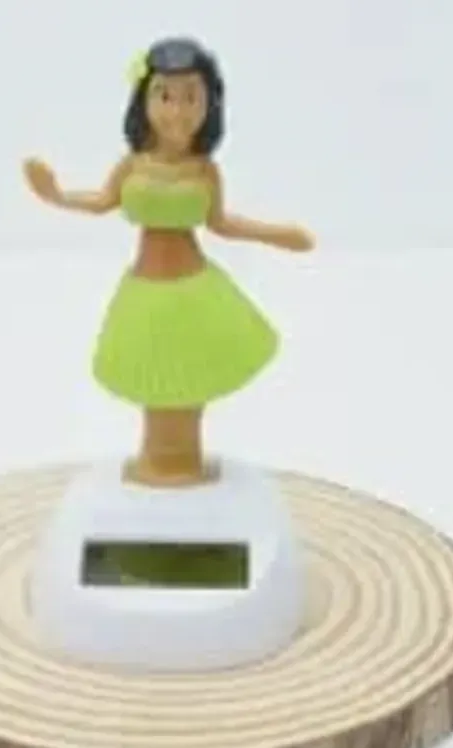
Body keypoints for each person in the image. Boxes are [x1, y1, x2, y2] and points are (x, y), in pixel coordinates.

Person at [24, 36, 315, 488]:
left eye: (190, 97)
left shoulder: (204, 171)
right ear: (144, 101)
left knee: (190, 375)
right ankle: (160, 461)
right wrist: (56, 195)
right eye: (164, 95)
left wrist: (277, 234)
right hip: (145, 291)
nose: (177, 110)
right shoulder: (132, 165)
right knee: (155, 376)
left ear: (208, 105)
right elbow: (101, 201)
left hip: (195, 290)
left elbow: (221, 223)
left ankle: (182, 462)